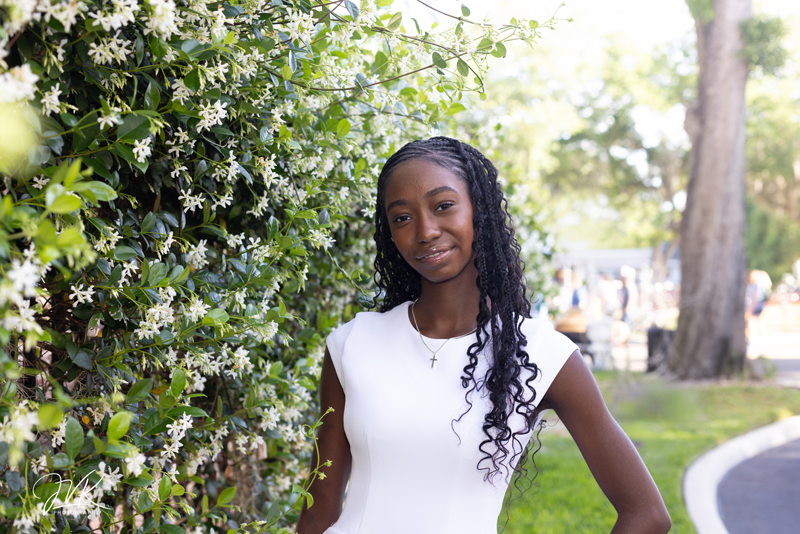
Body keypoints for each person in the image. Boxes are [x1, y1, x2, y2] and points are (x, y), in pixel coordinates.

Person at [295, 137, 671, 534]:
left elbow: (646, 514)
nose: (426, 231)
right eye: (402, 217)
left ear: (480, 210)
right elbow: (318, 513)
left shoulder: (540, 352)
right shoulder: (353, 344)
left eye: (443, 206)